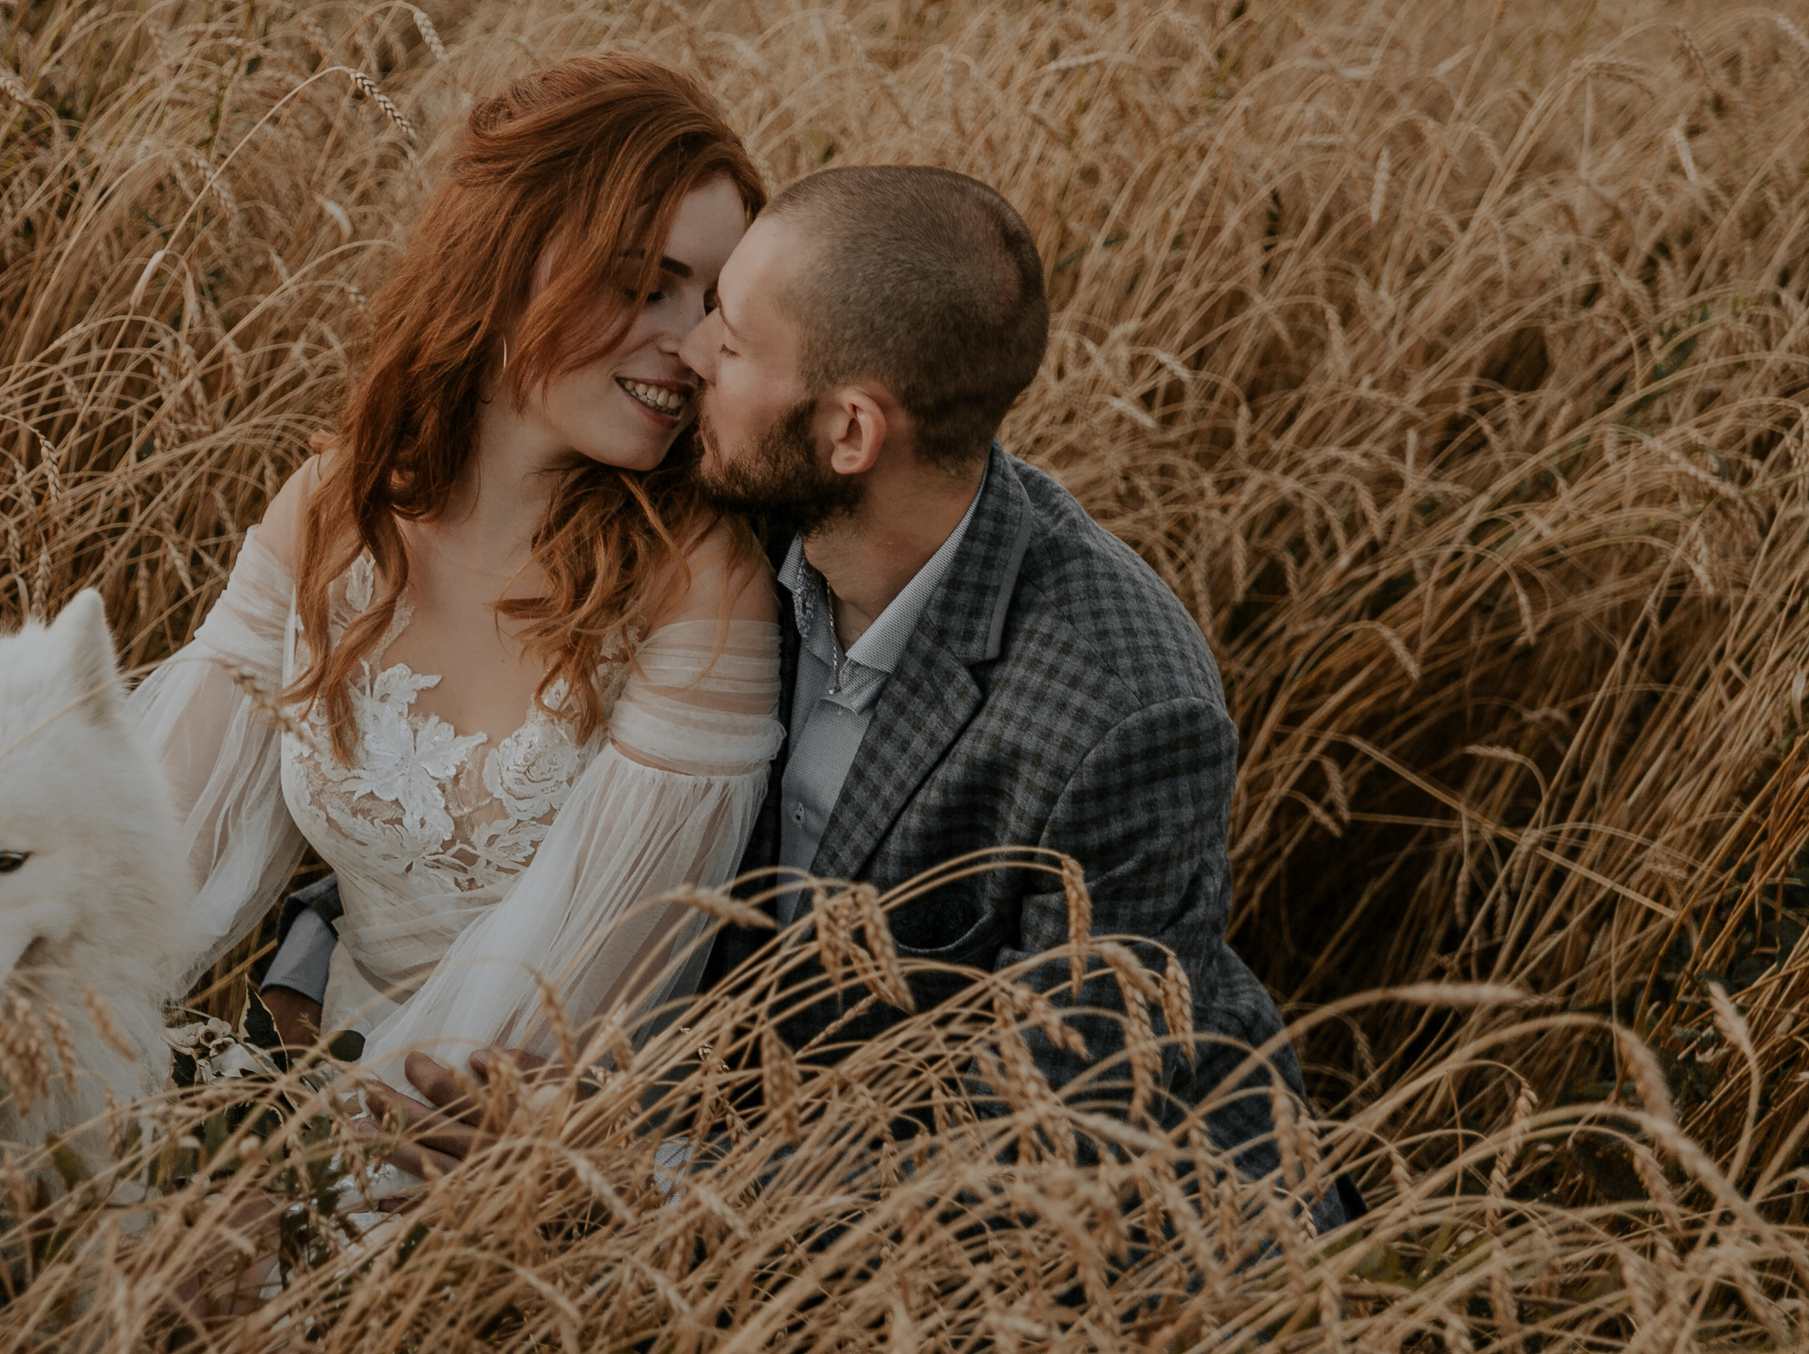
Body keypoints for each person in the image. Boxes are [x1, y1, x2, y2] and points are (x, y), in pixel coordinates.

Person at [296, 163, 1355, 1229]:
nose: (692, 351)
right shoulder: (712, 509)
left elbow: (1051, 1136)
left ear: (850, 433)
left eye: (737, 340)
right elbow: (465, 747)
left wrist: (613, 1177)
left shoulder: (1121, 710)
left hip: (1059, 1254)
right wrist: (319, 963)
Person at [129, 55, 785, 1129]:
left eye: (714, 302)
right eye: (643, 284)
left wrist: (316, 1187)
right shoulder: (335, 511)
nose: (695, 346)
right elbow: (156, 860)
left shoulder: (697, 582)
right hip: (304, 1104)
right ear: (505, 264)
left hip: (500, 1160)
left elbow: (573, 1021)